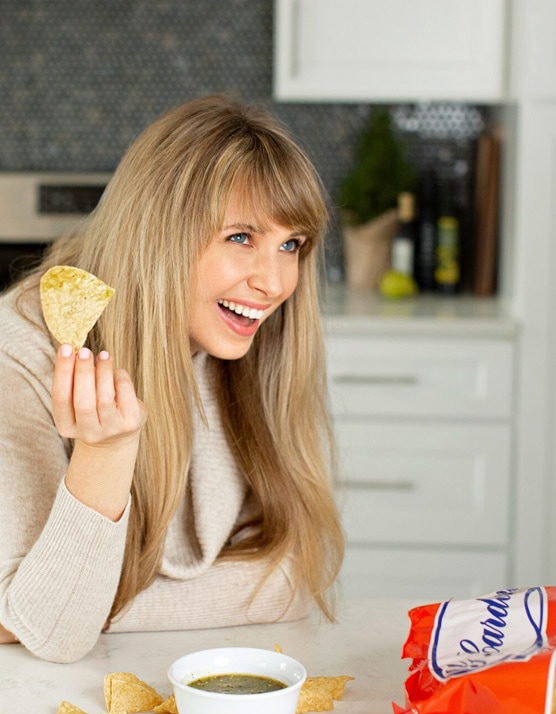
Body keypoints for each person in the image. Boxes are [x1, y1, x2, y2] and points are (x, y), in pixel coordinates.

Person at [0, 95, 344, 663]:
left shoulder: (251, 344)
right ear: (158, 233)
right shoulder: (23, 356)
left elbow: (288, 581)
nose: (276, 282)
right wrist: (104, 450)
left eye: (292, 245)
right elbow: (57, 639)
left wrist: (57, 609)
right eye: (241, 238)